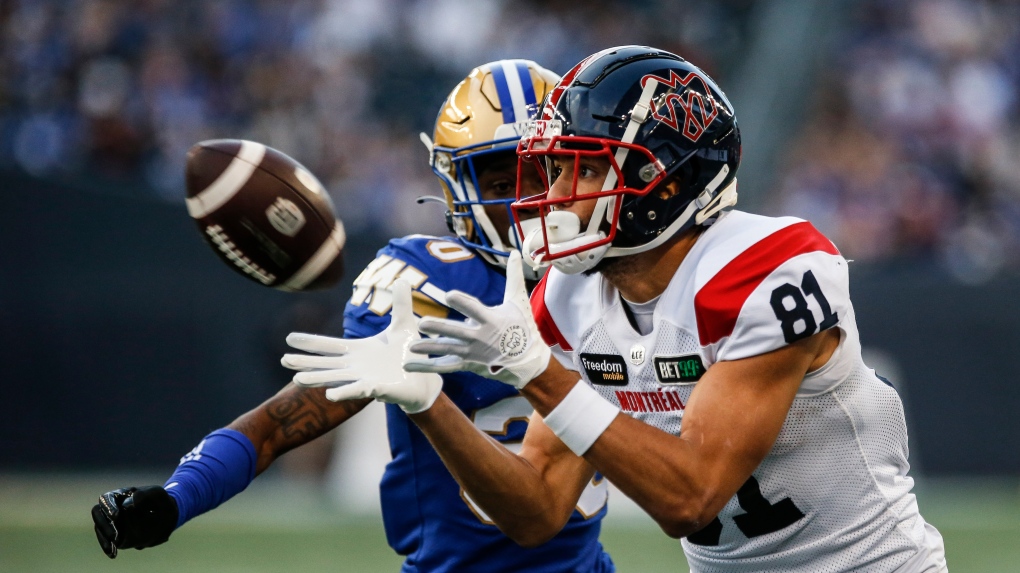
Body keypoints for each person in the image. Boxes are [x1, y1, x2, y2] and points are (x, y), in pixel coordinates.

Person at [284, 46, 948, 572]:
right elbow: (537, 508)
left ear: (665, 177)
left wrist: (534, 370)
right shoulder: (571, 295)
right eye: (553, 171)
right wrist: (429, 406)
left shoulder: (764, 269)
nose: (555, 196)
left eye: (584, 169)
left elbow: (691, 496)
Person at [91, 59, 616, 573]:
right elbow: (276, 426)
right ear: (455, 187)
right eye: (502, 186)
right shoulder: (429, 286)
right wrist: (177, 498)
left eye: (544, 175)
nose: (529, 203)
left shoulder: (612, 278)